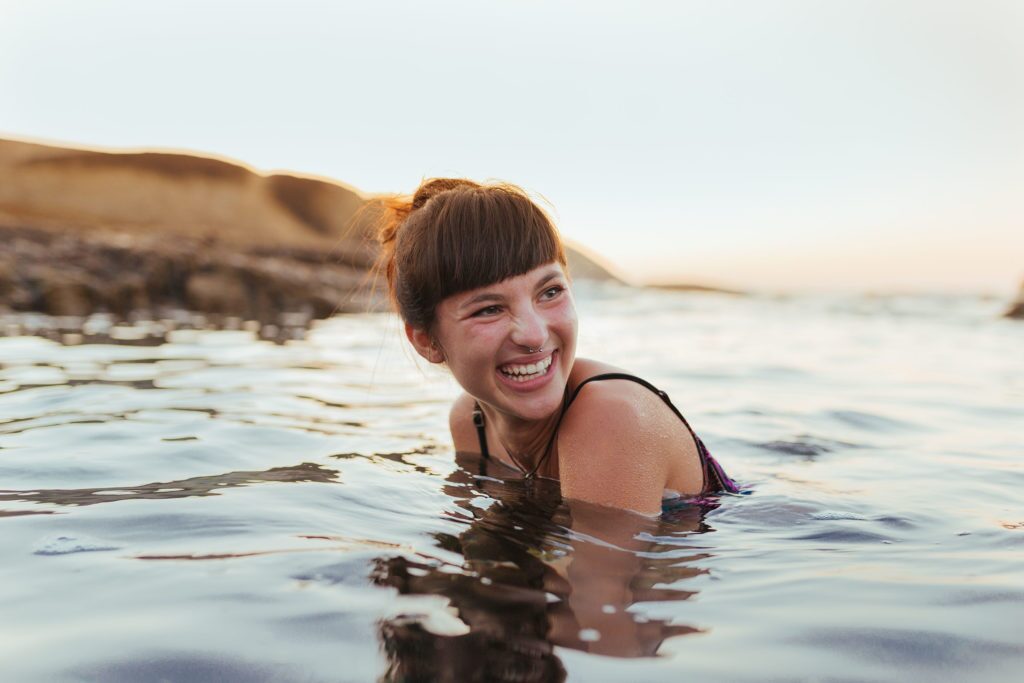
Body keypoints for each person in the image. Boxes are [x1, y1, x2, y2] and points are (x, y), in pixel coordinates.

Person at [374, 178, 738, 516]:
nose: (533, 335)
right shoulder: (470, 423)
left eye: (550, 292)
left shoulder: (611, 417)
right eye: (489, 309)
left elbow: (600, 586)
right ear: (426, 341)